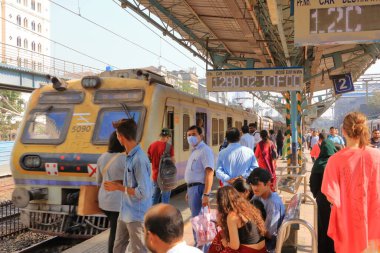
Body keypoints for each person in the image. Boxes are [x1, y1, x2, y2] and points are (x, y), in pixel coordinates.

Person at [322, 112, 380, 253]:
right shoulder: (377, 156)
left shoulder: (335, 160)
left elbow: (331, 196)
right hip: (376, 225)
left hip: (348, 228)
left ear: (342, 131)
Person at [104, 119, 153, 253]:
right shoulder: (130, 156)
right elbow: (134, 182)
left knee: (138, 250)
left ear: (121, 137)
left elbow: (143, 192)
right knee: (118, 247)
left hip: (137, 215)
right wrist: (120, 183)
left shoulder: (139, 159)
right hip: (125, 211)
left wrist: (118, 188)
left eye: (117, 134)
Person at [208, 186, 267, 253]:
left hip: (248, 250)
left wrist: (225, 243)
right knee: (221, 234)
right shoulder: (248, 208)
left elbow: (235, 246)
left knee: (219, 239)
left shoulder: (232, 216)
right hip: (262, 249)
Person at [184, 125, 214, 250]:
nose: (191, 137)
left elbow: (209, 172)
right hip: (193, 190)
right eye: (189, 135)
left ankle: (203, 249)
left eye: (194, 134)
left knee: (200, 222)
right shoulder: (195, 151)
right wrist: (188, 190)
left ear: (201, 136)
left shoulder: (204, 150)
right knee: (197, 221)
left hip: (199, 190)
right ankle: (200, 247)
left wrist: (206, 194)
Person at [96, 131, 126, 253]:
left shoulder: (102, 157)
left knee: (115, 229)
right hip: (117, 202)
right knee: (116, 232)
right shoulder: (125, 159)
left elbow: (98, 181)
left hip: (104, 201)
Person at [309, 133, 336, 253]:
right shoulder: (337, 163)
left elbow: (313, 183)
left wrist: (317, 195)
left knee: (323, 226)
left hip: (322, 200)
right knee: (336, 227)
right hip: (337, 200)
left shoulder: (318, 164)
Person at [247, 168, 285, 253]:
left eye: (258, 185)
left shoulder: (273, 204)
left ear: (268, 184)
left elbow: (269, 233)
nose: (254, 188)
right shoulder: (258, 195)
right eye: (252, 184)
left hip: (269, 245)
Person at [147, 128, 175, 205]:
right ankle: (163, 214)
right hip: (166, 177)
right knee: (165, 198)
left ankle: (153, 214)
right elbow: (173, 161)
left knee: (155, 196)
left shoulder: (152, 146)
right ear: (168, 137)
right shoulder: (169, 147)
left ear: (161, 135)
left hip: (155, 176)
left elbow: (149, 158)